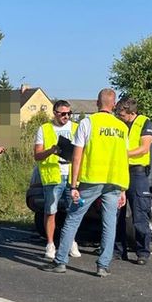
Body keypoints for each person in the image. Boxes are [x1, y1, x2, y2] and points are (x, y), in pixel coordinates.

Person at [44, 88, 128, 277]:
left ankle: (60, 261)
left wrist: (74, 185)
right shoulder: (122, 128)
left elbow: (77, 154)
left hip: (91, 179)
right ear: (114, 105)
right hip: (114, 181)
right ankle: (103, 265)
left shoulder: (88, 122)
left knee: (73, 218)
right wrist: (123, 189)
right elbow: (124, 158)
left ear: (98, 103)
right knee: (109, 223)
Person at [33, 100, 81, 261]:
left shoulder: (76, 128)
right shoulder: (44, 129)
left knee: (72, 210)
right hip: (53, 175)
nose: (66, 116)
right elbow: (37, 155)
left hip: (72, 174)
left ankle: (71, 241)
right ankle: (50, 243)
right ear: (55, 113)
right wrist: (51, 150)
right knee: (51, 210)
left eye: (69, 113)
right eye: (62, 114)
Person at [114, 97, 152, 264]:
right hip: (120, 170)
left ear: (131, 112)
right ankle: (118, 250)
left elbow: (144, 147)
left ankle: (142, 252)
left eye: (122, 114)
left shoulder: (144, 122)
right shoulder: (118, 124)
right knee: (117, 213)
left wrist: (123, 154)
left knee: (140, 212)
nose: (119, 117)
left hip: (137, 172)